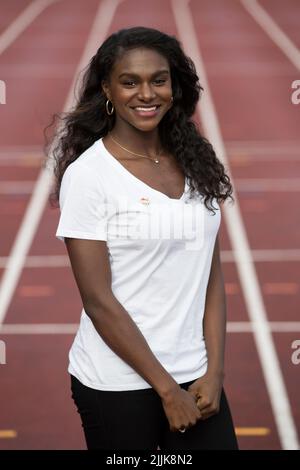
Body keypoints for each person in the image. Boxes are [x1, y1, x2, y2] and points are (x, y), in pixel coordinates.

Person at [51, 26, 238, 450]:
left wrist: (214, 372)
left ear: (174, 85)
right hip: (119, 385)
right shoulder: (88, 176)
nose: (146, 93)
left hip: (196, 377)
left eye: (158, 79)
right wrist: (167, 391)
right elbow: (98, 300)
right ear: (107, 90)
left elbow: (210, 277)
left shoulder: (195, 160)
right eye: (129, 82)